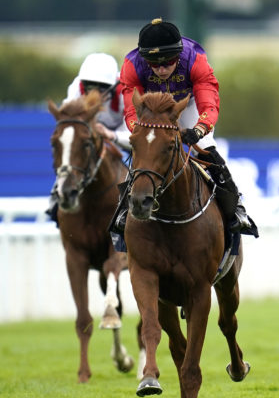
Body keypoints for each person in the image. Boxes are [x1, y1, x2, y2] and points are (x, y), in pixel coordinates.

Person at [116, 18, 257, 236]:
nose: (162, 69)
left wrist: (199, 129)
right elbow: (131, 109)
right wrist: (140, 131)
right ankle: (123, 211)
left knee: (207, 148)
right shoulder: (132, 65)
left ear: (179, 55)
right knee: (143, 151)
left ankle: (236, 209)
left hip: (187, 104)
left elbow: (208, 103)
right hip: (153, 109)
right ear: (145, 60)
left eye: (168, 62)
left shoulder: (195, 59)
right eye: (154, 64)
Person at [46, 52, 130, 224]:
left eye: (101, 87)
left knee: (142, 160)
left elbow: (133, 133)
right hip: (89, 133)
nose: (93, 92)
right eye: (89, 86)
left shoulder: (126, 92)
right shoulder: (76, 87)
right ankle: (56, 200)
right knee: (71, 154)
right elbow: (69, 121)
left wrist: (111, 135)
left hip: (121, 132)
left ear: (113, 85)